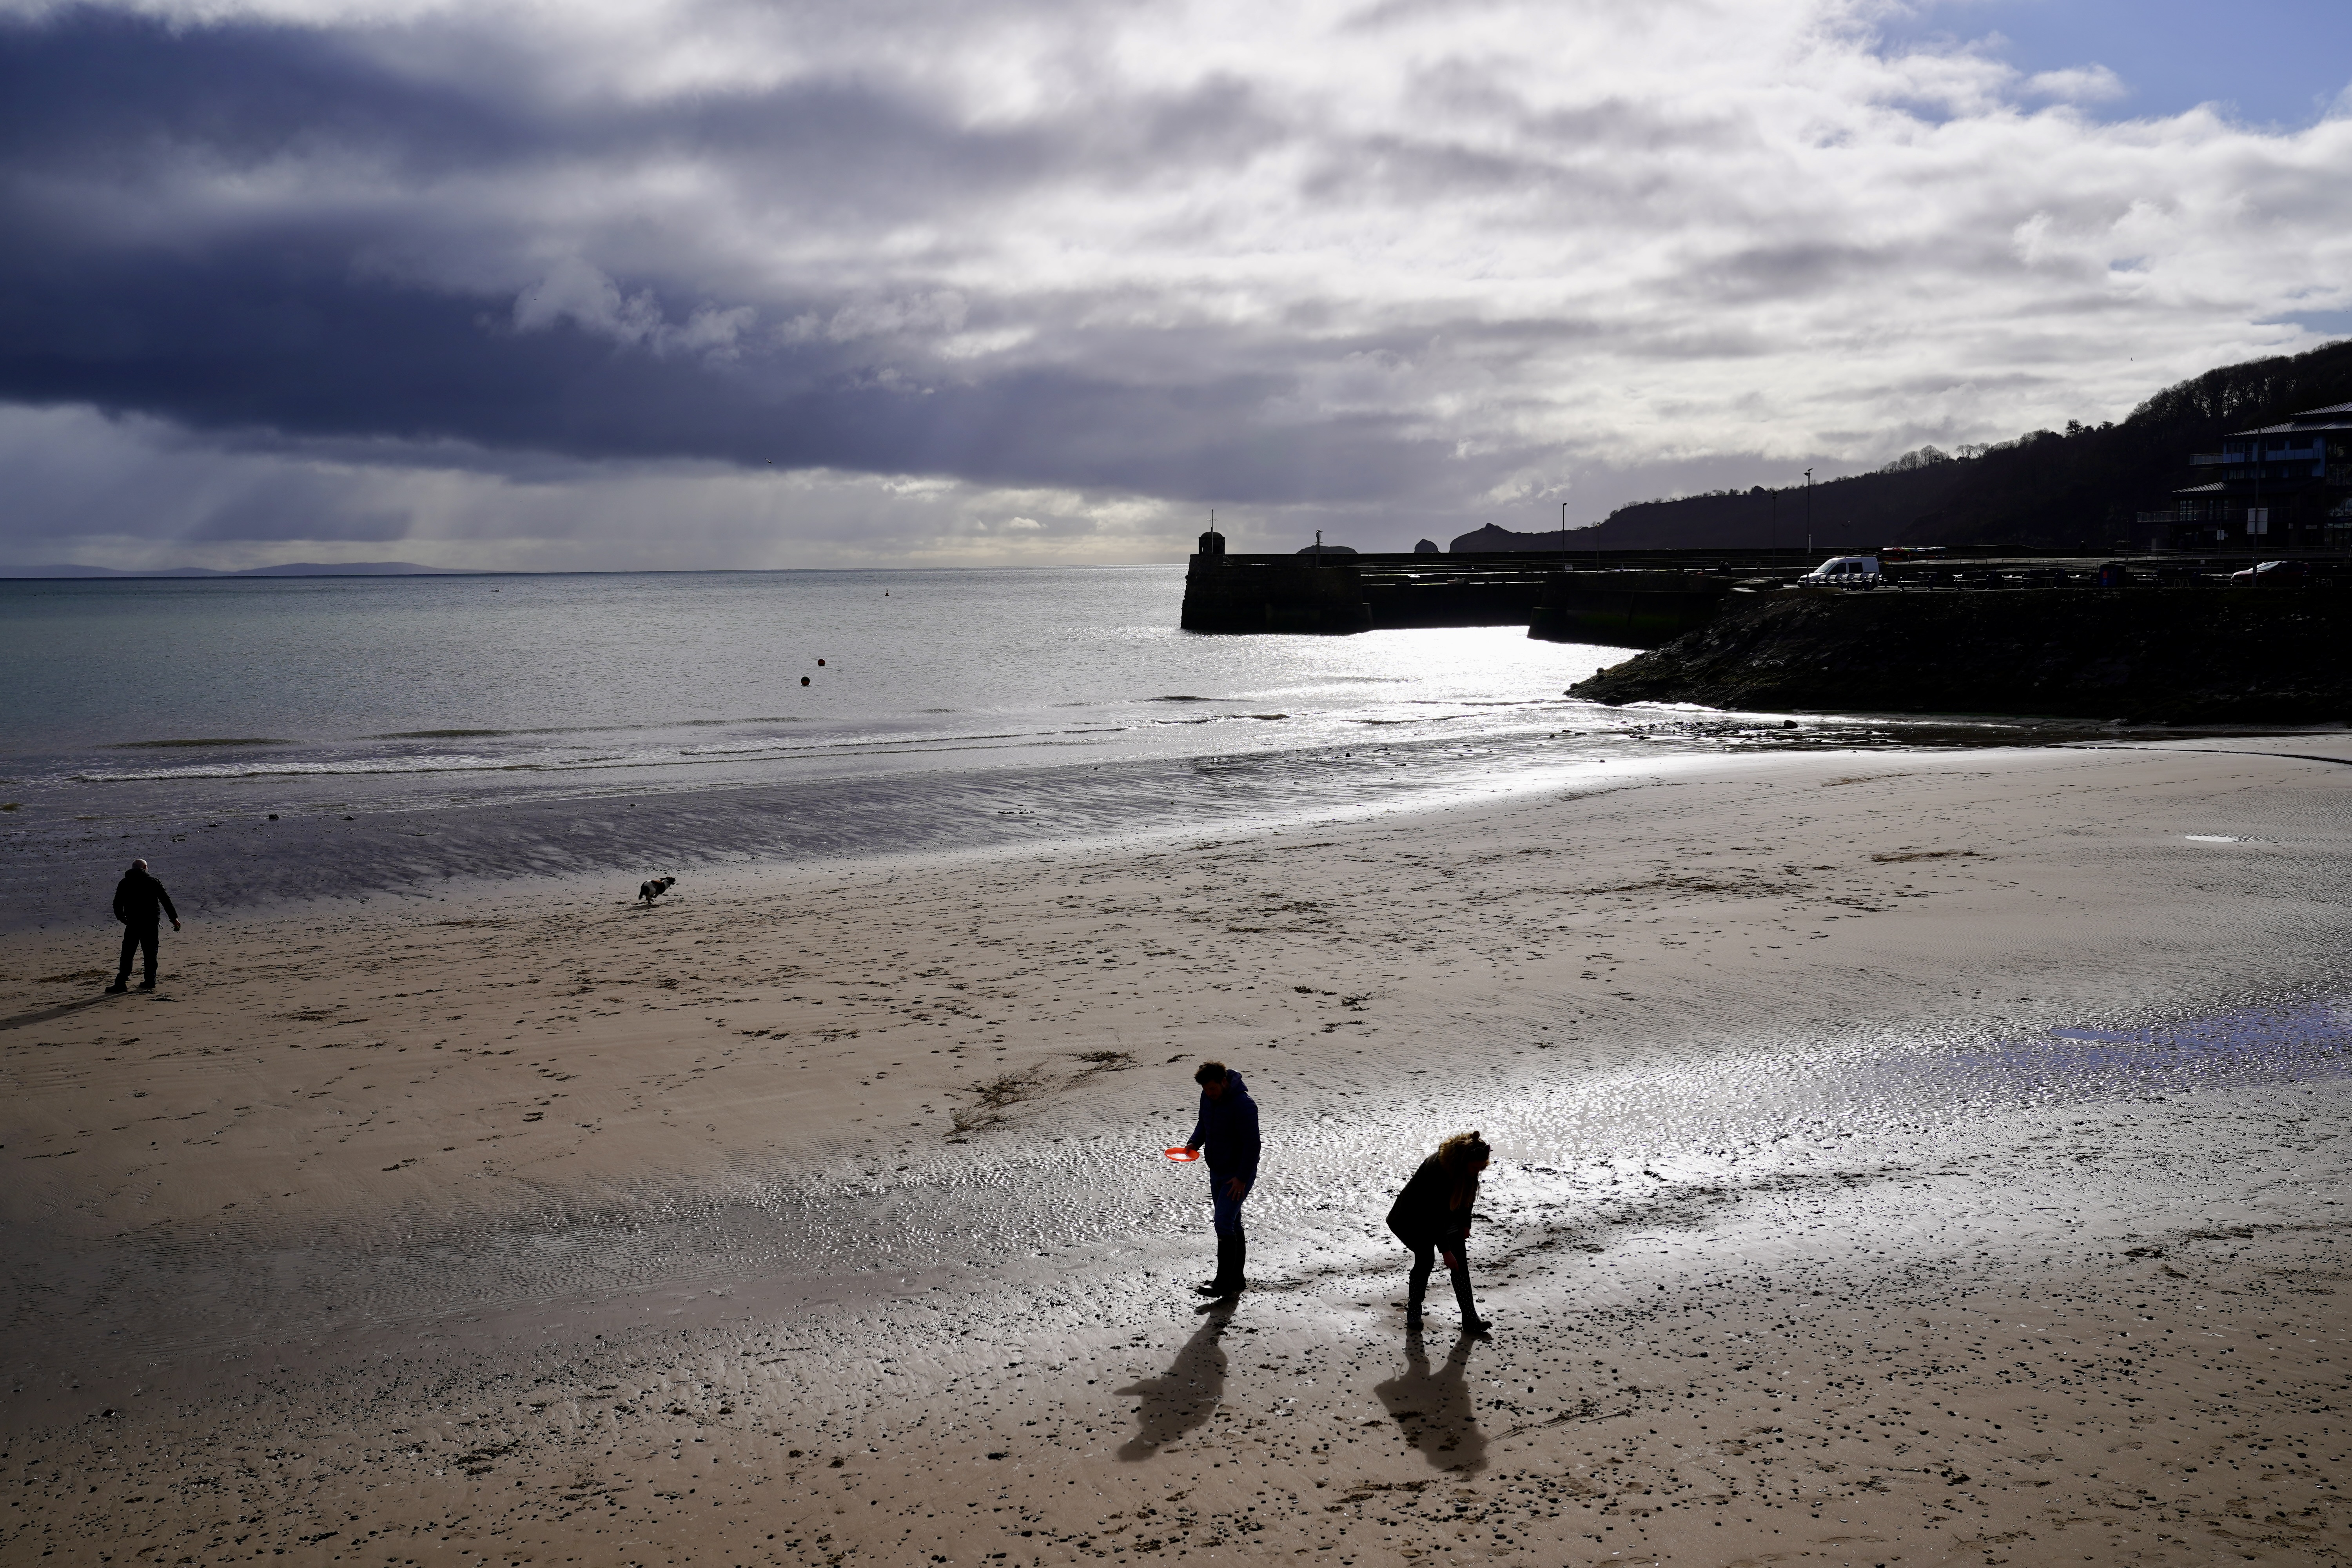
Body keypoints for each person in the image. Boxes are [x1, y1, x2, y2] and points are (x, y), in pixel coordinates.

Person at [1385, 1130, 1491, 1334]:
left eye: (1481, 1168)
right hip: (1414, 1217)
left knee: (1460, 1263)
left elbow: (1467, 1195)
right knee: (1426, 1261)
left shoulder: (1469, 1169)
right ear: (1463, 1161)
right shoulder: (1438, 1169)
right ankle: (1414, 1310)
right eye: (1475, 1168)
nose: (1477, 1172)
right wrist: (1446, 1252)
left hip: (1444, 1215)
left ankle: (1470, 1318)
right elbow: (1433, 1215)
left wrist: (1465, 1223)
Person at [1181, 1060, 1259, 1299]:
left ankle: (1223, 1282)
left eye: (1213, 1089)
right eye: (1205, 1089)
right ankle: (1236, 1278)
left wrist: (1241, 1179)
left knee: (1224, 1222)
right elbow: (1204, 1124)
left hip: (1236, 1176)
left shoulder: (1244, 1105)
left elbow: (1253, 1147)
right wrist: (1194, 1143)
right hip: (1216, 1171)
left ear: (1224, 1082)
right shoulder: (1208, 1098)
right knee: (1233, 1222)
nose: (1209, 1093)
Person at [107, 858, 180, 993]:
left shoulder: (125, 882)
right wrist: (173, 918)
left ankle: (121, 983)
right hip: (151, 923)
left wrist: (122, 918)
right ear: (145, 867)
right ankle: (150, 981)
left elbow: (117, 903)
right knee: (151, 953)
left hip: (133, 923)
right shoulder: (153, 881)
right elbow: (166, 901)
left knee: (128, 953)